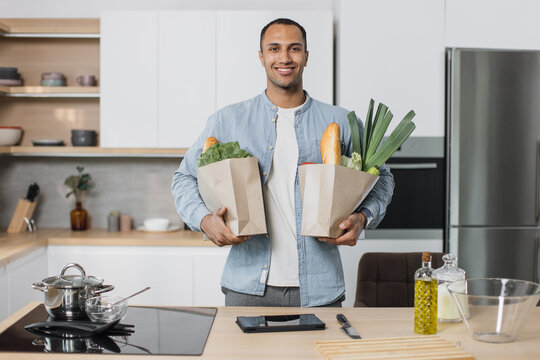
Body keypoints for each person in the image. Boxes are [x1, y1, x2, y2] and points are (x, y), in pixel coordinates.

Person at [172, 18, 394, 307]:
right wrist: (204, 221)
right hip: (247, 288)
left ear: (306, 56)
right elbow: (184, 178)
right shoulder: (228, 120)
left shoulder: (341, 121)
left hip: (319, 290)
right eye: (274, 49)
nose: (285, 58)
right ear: (262, 57)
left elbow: (383, 177)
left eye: (294, 49)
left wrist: (363, 217)